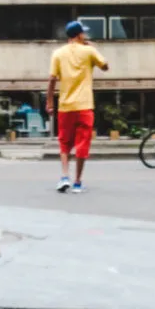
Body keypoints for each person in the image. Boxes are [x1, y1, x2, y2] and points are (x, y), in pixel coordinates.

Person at [47, 21, 109, 193]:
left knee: (64, 144)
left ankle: (64, 176)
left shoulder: (58, 54)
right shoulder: (89, 51)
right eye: (84, 33)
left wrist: (50, 101)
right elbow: (105, 66)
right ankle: (77, 182)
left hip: (66, 106)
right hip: (84, 106)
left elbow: (52, 79)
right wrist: (93, 47)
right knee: (82, 144)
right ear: (79, 35)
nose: (86, 36)